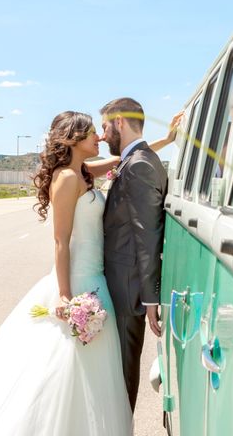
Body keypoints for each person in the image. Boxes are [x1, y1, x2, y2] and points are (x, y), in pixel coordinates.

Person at [0, 109, 181, 435]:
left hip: (97, 280)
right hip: (81, 282)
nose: (98, 138)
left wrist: (167, 139)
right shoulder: (68, 179)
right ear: (74, 139)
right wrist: (64, 294)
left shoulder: (81, 172)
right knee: (67, 370)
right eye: (91, 134)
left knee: (90, 374)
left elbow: (124, 159)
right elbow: (60, 242)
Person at [98, 97, 170, 411]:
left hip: (128, 292)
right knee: (114, 377)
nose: (101, 136)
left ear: (120, 123)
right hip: (122, 287)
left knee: (123, 377)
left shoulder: (139, 163)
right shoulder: (135, 159)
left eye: (104, 126)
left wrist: (150, 298)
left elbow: (147, 233)